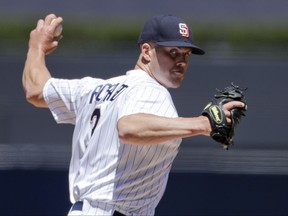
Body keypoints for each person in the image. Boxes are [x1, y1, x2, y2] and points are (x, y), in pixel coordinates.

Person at [22, 14, 245, 216]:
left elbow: (36, 90)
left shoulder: (93, 89)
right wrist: (202, 124)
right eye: (173, 52)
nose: (181, 62)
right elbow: (129, 128)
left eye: (186, 54)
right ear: (147, 51)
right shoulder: (151, 89)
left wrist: (36, 49)